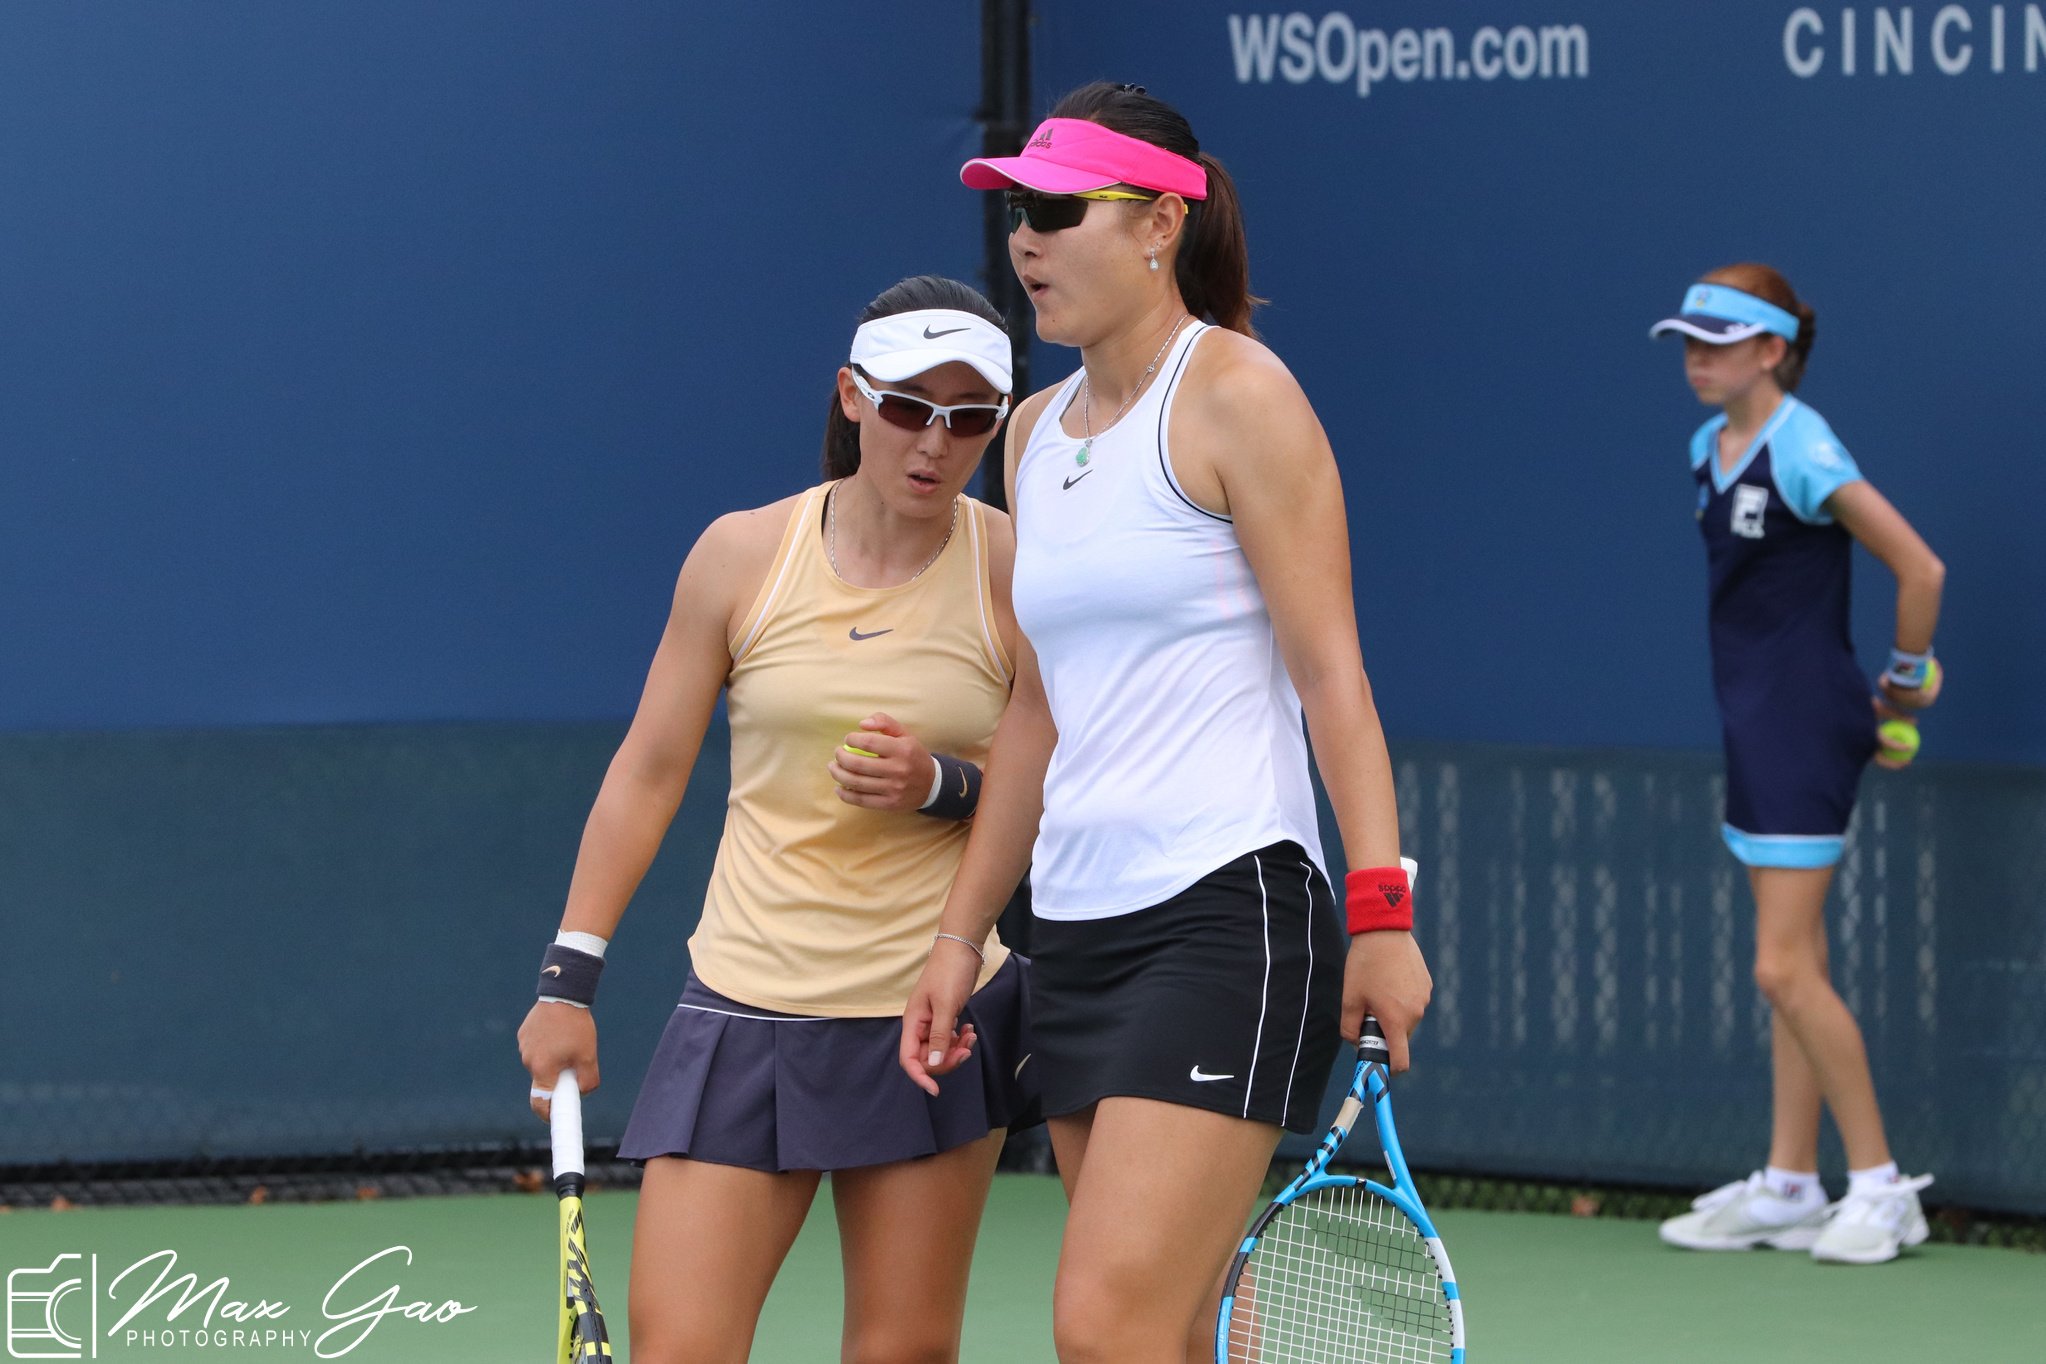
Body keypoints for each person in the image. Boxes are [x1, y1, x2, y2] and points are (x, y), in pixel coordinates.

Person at [897, 82, 1432, 1362]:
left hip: (1226, 914)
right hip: (1075, 935)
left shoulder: (1243, 397)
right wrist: (959, 935)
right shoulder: (1029, 434)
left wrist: (1383, 916)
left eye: (1056, 208)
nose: (1024, 239)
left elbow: (1334, 678)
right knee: (1170, 1334)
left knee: (1104, 1325)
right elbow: (1036, 711)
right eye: (1016, 210)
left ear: (1158, 225)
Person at [517, 274, 1037, 1364]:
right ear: (851, 397)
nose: (934, 444)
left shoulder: (1017, 572)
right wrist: (569, 977)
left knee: (900, 1352)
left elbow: (1070, 791)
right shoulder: (741, 555)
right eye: (907, 407)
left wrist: (944, 784)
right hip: (746, 1008)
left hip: (931, 1023)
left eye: (970, 419)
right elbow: (649, 769)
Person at [1648, 264, 1945, 1265]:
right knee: (1797, 965)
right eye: (1687, 342)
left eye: (1718, 343)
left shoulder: (1805, 447)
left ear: (1772, 351)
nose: (1697, 359)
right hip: (1754, 720)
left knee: (1779, 964)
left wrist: (1904, 684)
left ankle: (1878, 1183)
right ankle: (1786, 1181)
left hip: (1807, 726)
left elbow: (1921, 566)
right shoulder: (1706, 447)